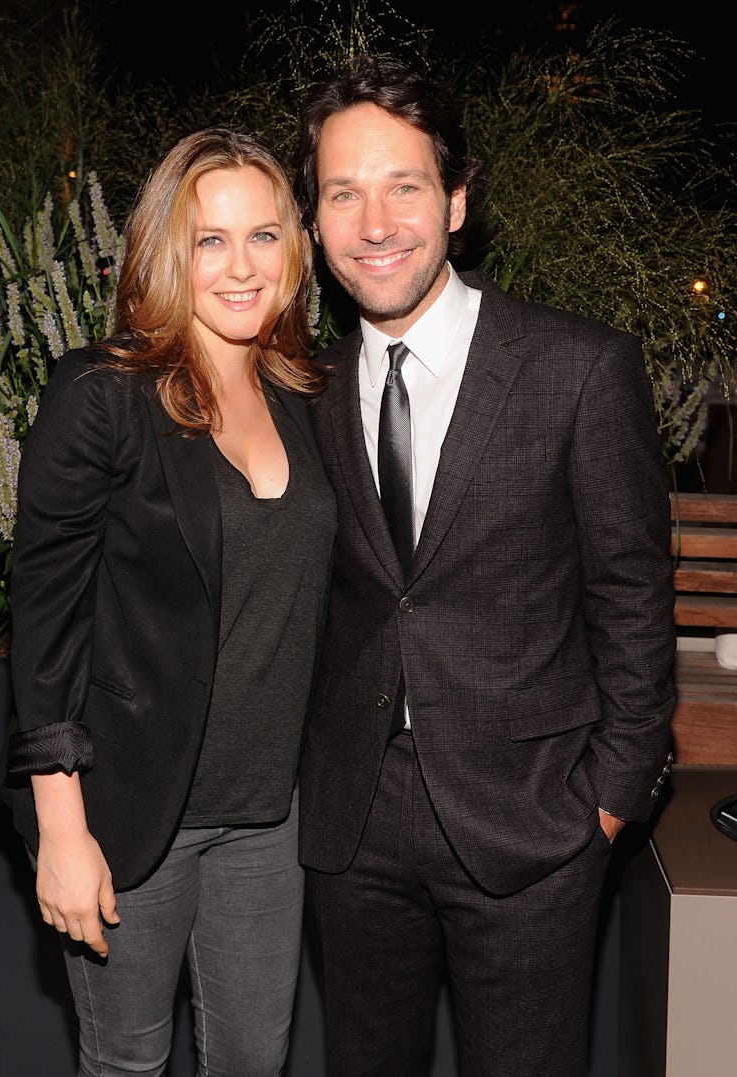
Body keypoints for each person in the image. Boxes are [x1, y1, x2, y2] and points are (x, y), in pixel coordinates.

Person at [293, 54, 677, 1077]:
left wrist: (603, 803)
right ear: (315, 219)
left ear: (456, 201)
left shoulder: (579, 368)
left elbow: (632, 602)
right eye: (342, 192)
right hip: (351, 825)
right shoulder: (303, 388)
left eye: (403, 185)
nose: (374, 223)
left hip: (533, 821)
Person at [0, 127, 336, 1077]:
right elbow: (45, 623)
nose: (239, 266)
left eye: (263, 236)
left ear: (294, 253)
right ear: (164, 250)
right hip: (130, 810)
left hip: (270, 816)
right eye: (209, 238)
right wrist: (62, 832)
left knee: (251, 1062)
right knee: (128, 1062)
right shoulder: (104, 393)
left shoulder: (305, 392)